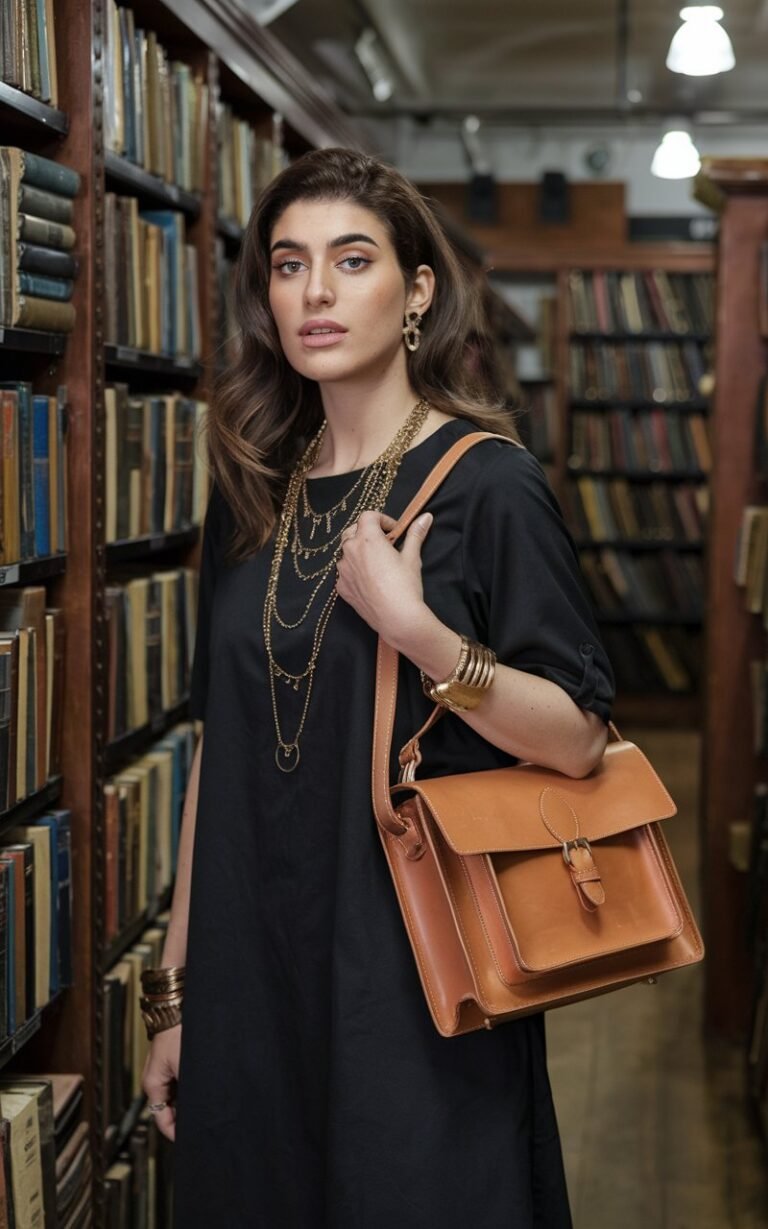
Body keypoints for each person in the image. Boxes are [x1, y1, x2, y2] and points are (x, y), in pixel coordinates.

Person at [141, 147, 614, 1228]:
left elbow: (580, 736)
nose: (316, 290)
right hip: (252, 974)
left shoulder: (491, 483)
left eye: (352, 260)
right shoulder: (252, 490)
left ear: (417, 291)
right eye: (289, 263)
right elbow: (221, 745)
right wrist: (175, 994)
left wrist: (420, 634)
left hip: (418, 977)